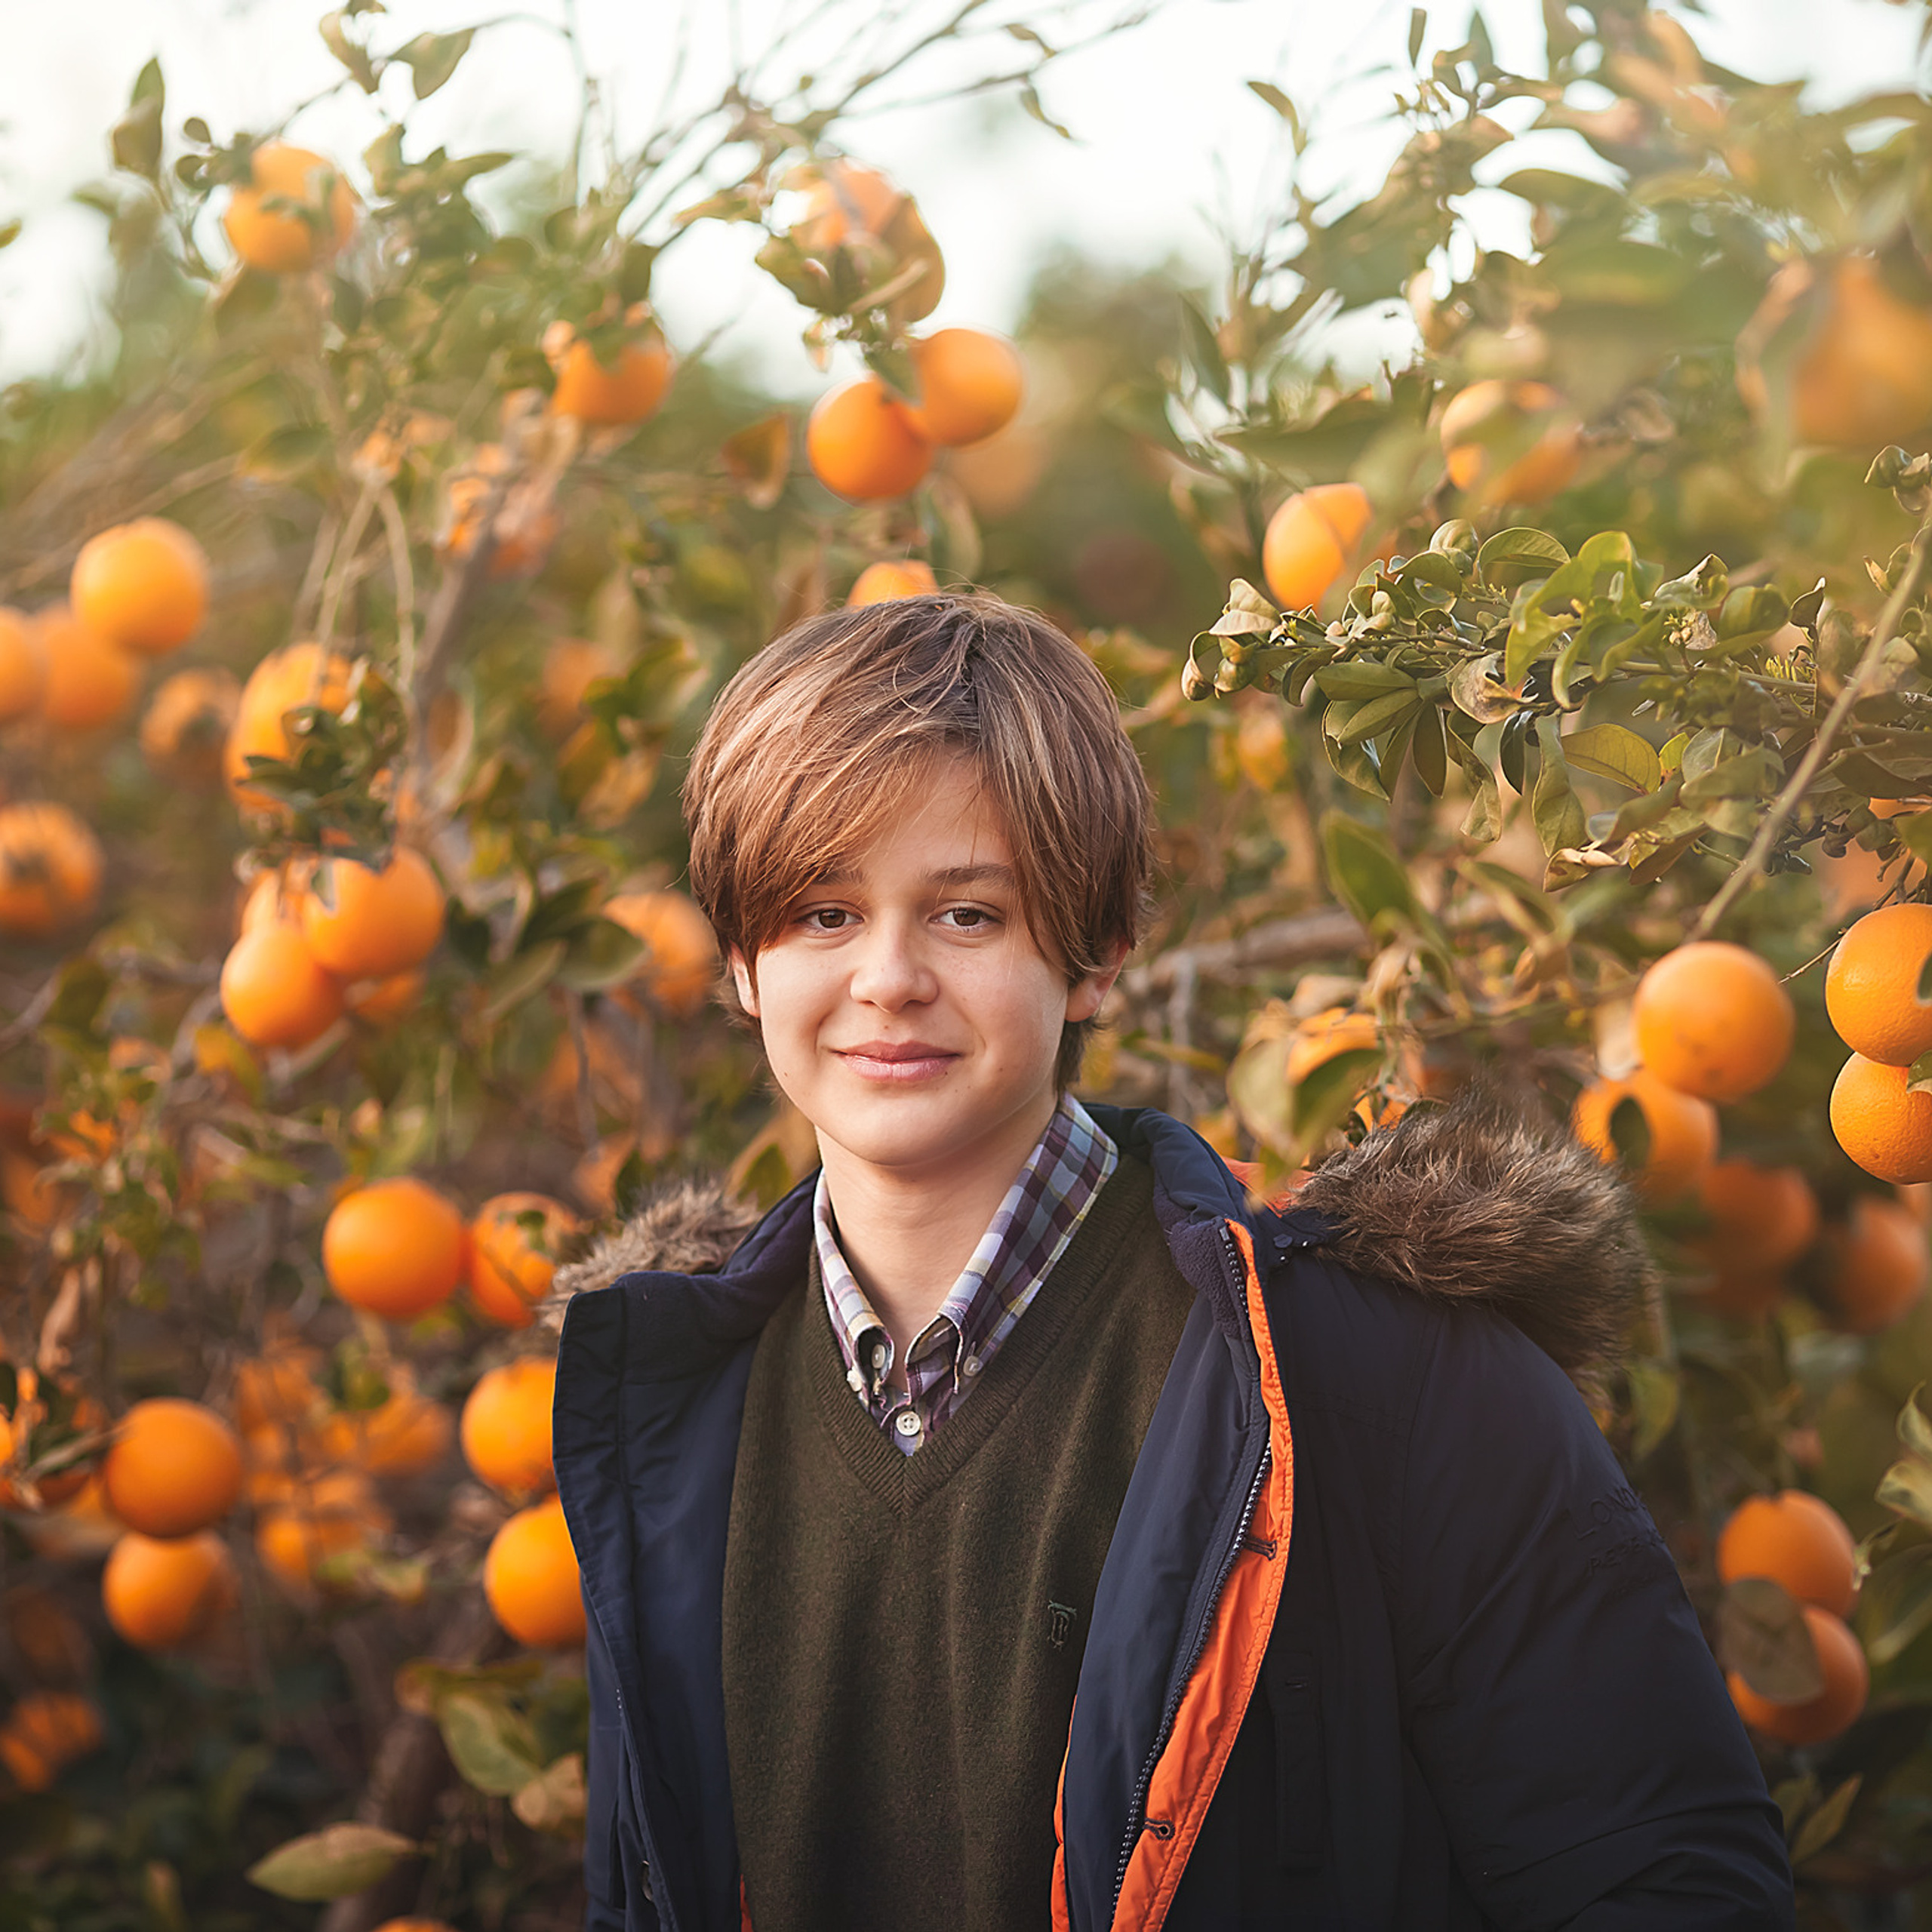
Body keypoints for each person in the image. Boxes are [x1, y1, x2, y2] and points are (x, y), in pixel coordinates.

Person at [548, 592, 1794, 1931]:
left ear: (1096, 956)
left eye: (966, 915)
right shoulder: (675, 1421)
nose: (889, 978)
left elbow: (1663, 1881)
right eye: (822, 914)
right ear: (743, 964)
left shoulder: (1385, 1369)